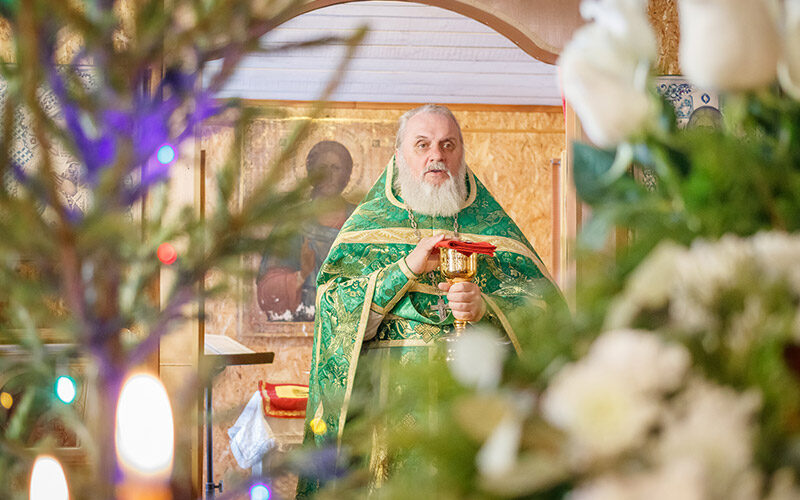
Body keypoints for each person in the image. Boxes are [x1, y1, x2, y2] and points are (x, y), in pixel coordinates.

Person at [297, 104, 559, 495]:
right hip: (389, 407)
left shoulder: (492, 228)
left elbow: (546, 314)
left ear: (461, 155)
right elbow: (335, 312)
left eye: (447, 144)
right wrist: (406, 268)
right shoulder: (367, 228)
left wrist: (487, 308)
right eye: (423, 145)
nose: (437, 155)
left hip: (470, 404)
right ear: (400, 155)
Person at [256, 141, 355, 322]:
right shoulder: (291, 221)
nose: (328, 175)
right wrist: (301, 274)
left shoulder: (360, 220)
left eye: (336, 168)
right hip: (301, 323)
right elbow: (266, 291)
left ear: (347, 176)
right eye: (322, 167)